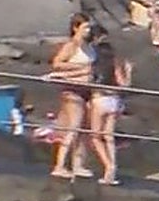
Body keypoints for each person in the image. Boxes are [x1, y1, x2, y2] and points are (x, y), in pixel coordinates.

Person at [49, 12, 96, 178]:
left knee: (83, 129)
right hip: (73, 90)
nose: (88, 31)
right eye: (85, 27)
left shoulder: (89, 46)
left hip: (88, 91)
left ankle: (78, 165)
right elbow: (57, 63)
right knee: (73, 127)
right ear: (76, 28)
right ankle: (59, 165)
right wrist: (80, 69)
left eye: (89, 27)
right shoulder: (71, 46)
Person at [87, 26, 133, 186]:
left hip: (99, 98)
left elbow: (89, 80)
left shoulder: (93, 63)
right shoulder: (115, 62)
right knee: (109, 135)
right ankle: (113, 167)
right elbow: (124, 84)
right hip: (114, 100)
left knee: (95, 136)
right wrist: (129, 72)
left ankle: (108, 165)